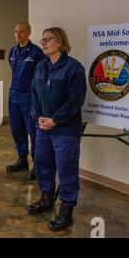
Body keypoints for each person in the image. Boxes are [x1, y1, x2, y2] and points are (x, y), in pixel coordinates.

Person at [27, 27, 86, 231]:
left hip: (65, 130)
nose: (43, 42)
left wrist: (56, 120)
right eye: (42, 40)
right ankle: (46, 199)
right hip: (43, 128)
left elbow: (75, 100)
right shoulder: (41, 66)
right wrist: (38, 117)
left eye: (48, 39)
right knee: (42, 163)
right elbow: (34, 94)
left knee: (66, 169)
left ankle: (66, 211)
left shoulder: (73, 68)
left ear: (60, 42)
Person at [6, 22, 44, 180]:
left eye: (21, 32)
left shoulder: (36, 52)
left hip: (29, 97)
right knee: (16, 129)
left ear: (28, 33)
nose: (18, 34)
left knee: (32, 131)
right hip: (14, 95)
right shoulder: (13, 51)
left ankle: (37, 164)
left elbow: (40, 76)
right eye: (16, 32)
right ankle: (22, 159)